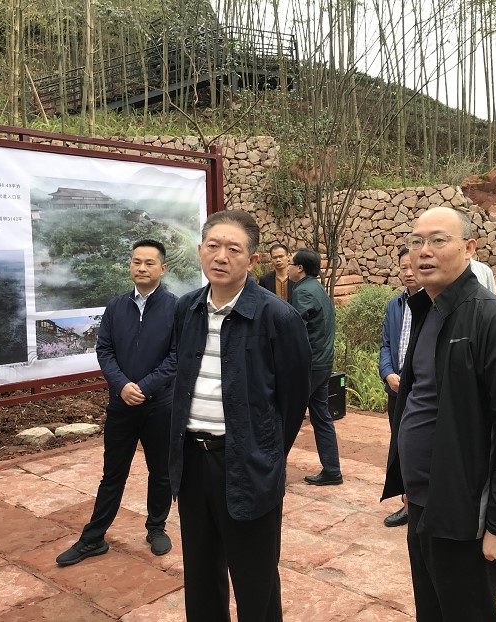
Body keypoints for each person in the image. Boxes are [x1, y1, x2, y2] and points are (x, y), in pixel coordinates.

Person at [381, 206, 496, 622]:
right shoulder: (427, 310)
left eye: (438, 240)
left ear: (469, 248)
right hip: (423, 501)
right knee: (432, 610)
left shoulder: (493, 320)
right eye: (416, 241)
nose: (424, 251)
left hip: (464, 509)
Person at [169, 210, 312, 622]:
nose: (221, 256)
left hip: (246, 463)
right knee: (199, 573)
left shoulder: (277, 317)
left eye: (233, 249)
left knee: (255, 578)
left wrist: (264, 452)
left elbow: (293, 401)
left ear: (252, 260)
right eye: (213, 246)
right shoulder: (186, 309)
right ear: (200, 250)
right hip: (192, 461)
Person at [56, 239, 177, 566]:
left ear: (163, 268)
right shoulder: (115, 306)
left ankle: (156, 527)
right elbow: (105, 350)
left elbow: (177, 356)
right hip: (121, 406)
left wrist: (145, 388)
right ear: (130, 266)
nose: (142, 268)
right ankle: (93, 538)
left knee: (161, 472)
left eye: (149, 263)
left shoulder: (175, 308)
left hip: (159, 406)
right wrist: (122, 385)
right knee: (112, 474)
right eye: (136, 262)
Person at [288, 247, 343, 486]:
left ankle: (272, 471)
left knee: (286, 415)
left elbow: (295, 332)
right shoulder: (316, 288)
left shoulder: (303, 292)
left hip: (309, 366)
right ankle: (332, 470)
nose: (288, 267)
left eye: (290, 263)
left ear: (300, 268)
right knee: (321, 417)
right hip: (322, 363)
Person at [378, 246, 420, 527]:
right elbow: (386, 344)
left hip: (421, 390)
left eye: (412, 266)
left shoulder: (435, 304)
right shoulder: (395, 304)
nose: (408, 272)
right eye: (403, 267)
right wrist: (387, 373)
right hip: (396, 389)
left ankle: (419, 503)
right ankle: (407, 502)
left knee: (420, 446)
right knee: (400, 446)